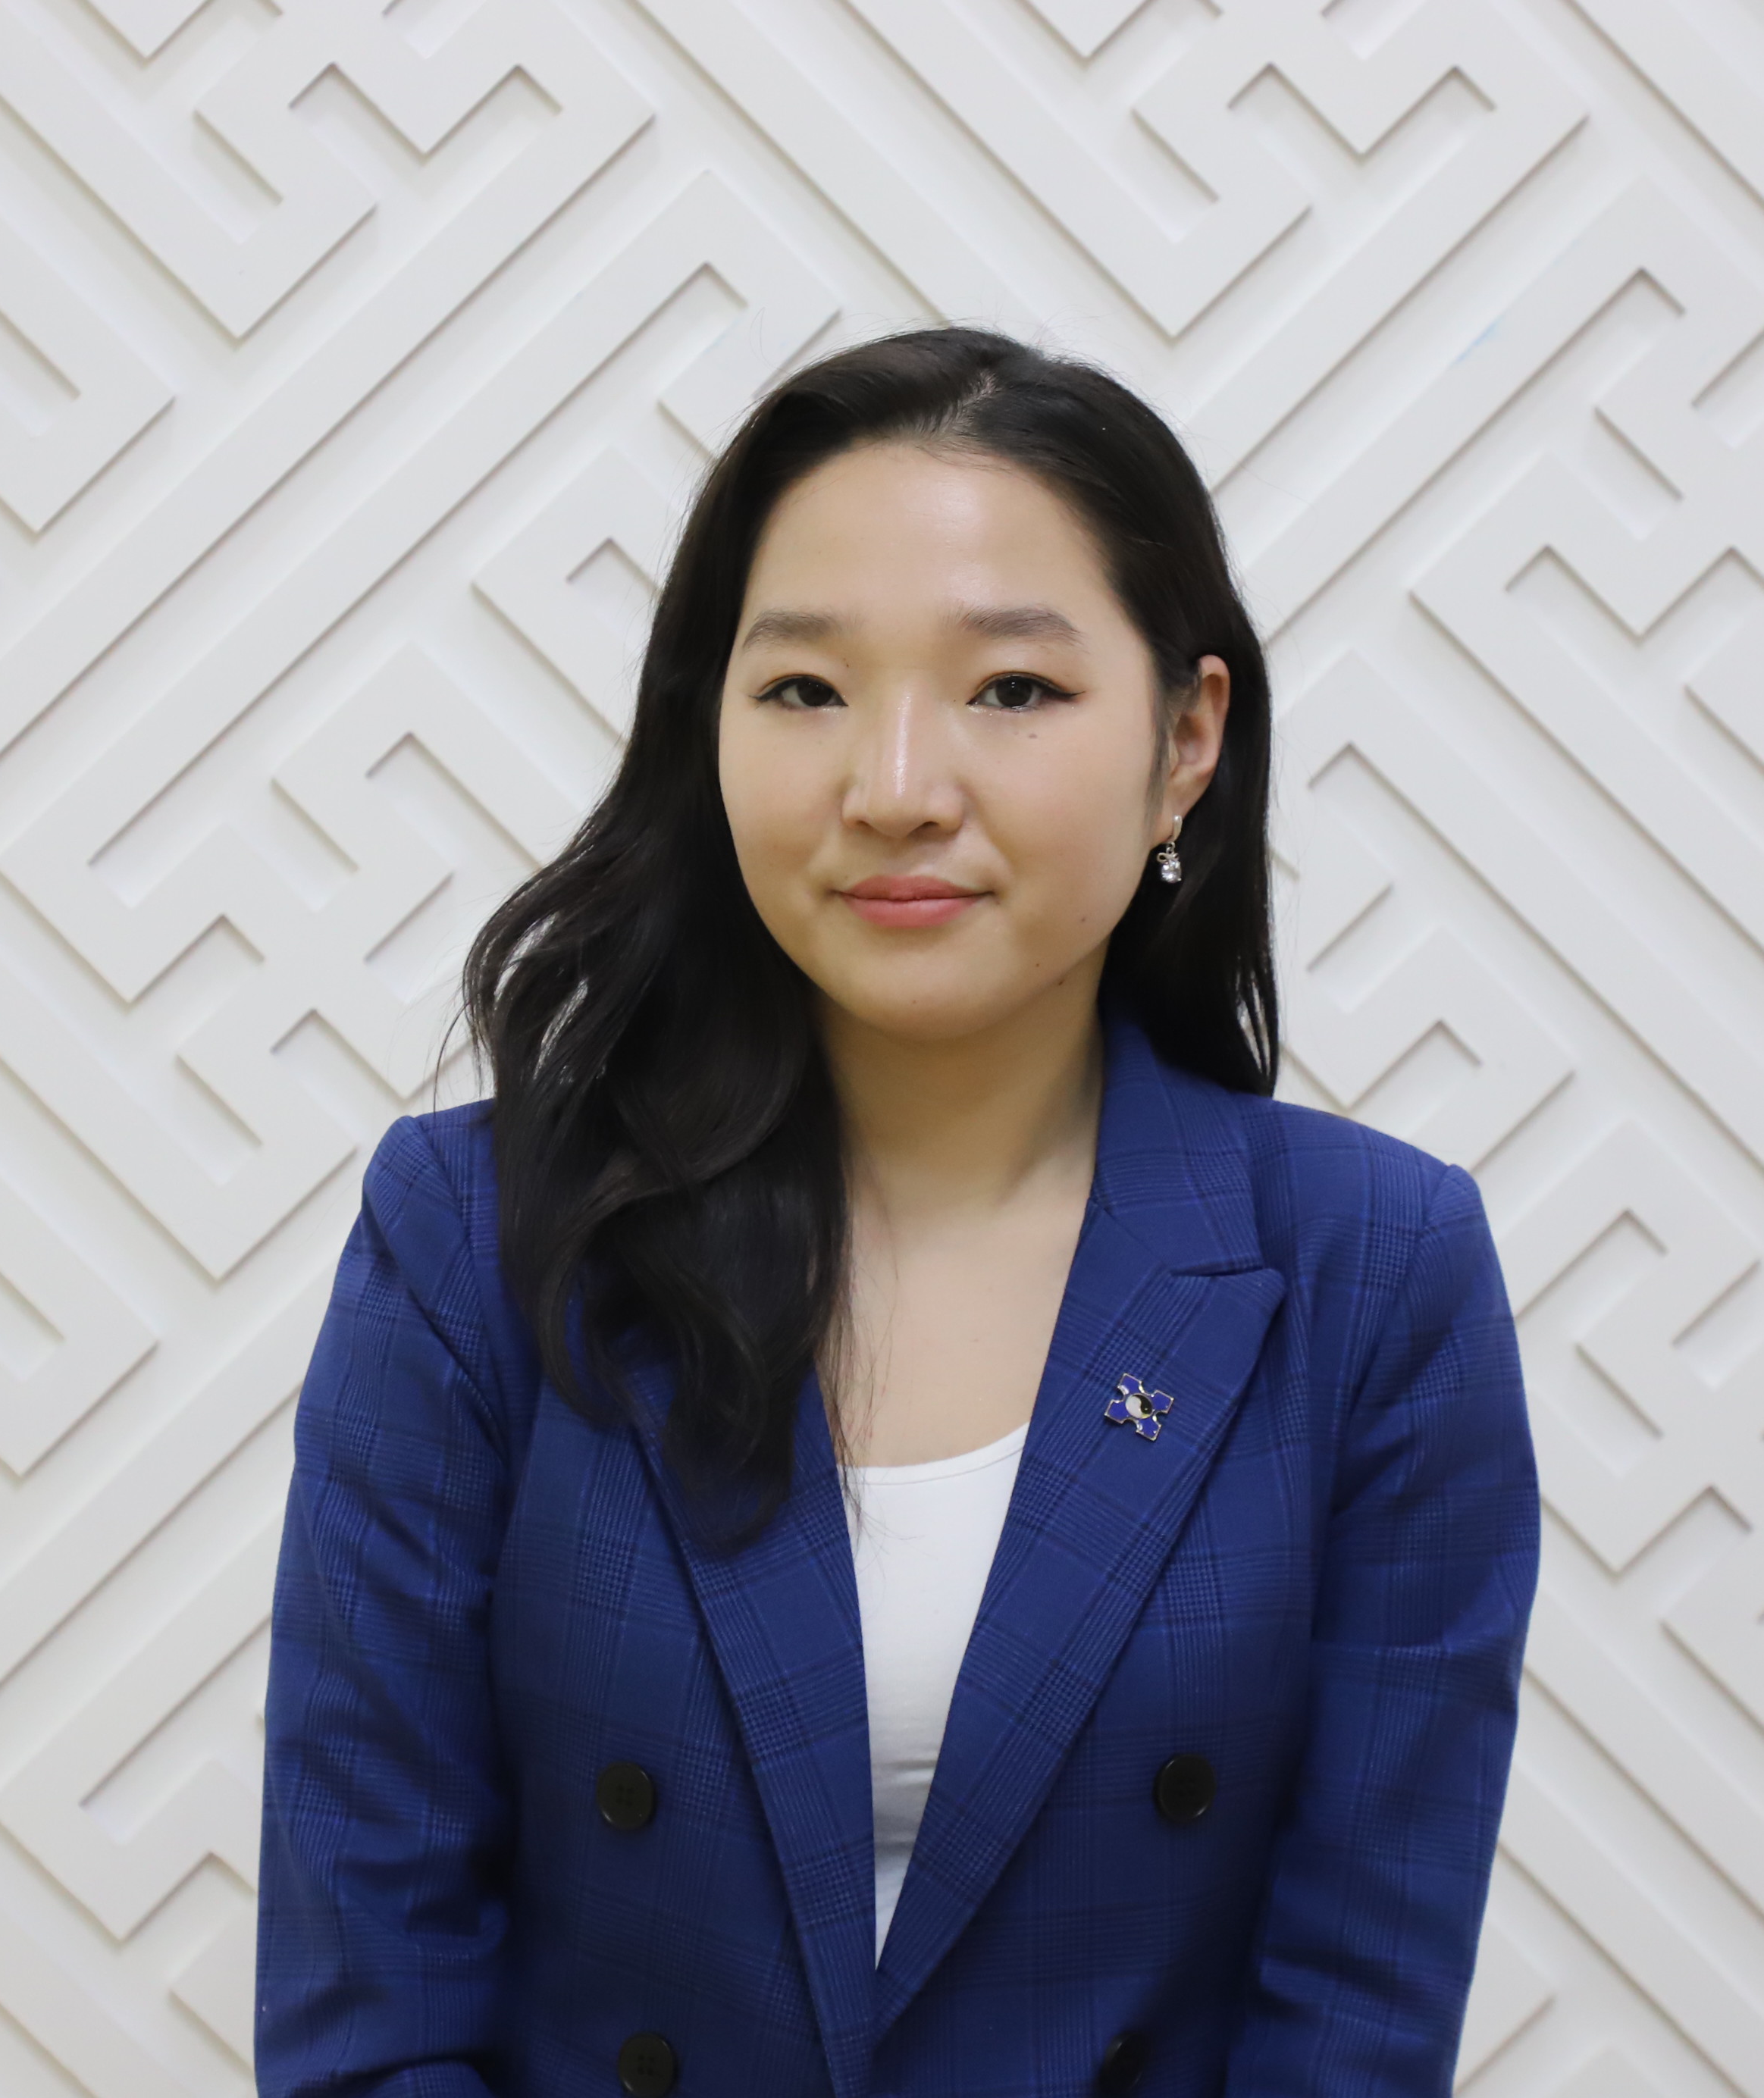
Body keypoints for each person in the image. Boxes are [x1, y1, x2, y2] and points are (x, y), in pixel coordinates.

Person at [255, 324, 1539, 2097]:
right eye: (805, 690)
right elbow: (370, 2007)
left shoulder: (1374, 1271)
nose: (895, 788)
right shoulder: (473, 1235)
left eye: (1009, 689)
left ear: (1186, 740)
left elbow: (1353, 2029)